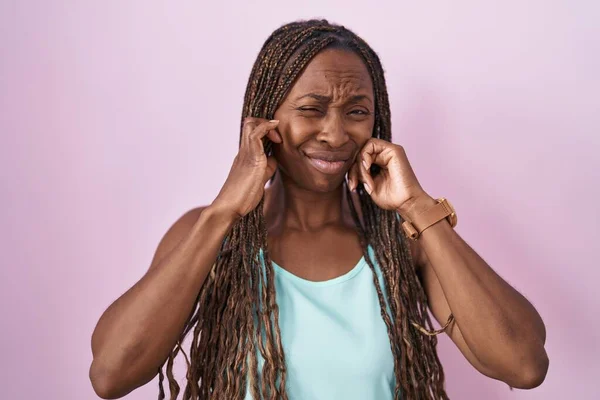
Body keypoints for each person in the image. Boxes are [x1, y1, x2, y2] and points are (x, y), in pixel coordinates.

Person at [89, 19, 548, 400]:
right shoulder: (210, 233)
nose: (334, 134)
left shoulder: (401, 241)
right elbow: (111, 375)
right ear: (267, 118)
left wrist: (418, 207)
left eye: (356, 111)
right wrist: (223, 211)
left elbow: (524, 365)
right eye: (311, 109)